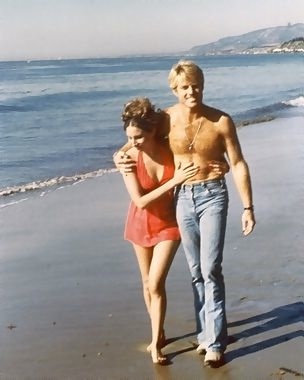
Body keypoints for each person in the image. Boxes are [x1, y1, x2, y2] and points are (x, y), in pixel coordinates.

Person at [115, 60, 255, 367]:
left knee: (210, 268)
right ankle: (206, 332)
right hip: (182, 198)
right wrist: (119, 155)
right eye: (184, 87)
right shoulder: (166, 119)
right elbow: (138, 137)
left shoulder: (221, 121)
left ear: (202, 84)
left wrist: (248, 206)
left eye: (195, 85)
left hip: (213, 195)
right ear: (175, 90)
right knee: (195, 271)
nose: (191, 91)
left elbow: (239, 163)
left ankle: (216, 343)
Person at [116, 97, 200, 364]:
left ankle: (155, 346)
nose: (134, 142)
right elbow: (140, 200)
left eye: (138, 137)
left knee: (156, 283)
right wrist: (174, 180)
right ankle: (158, 329)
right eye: (129, 137)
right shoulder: (128, 158)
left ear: (152, 131)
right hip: (140, 222)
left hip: (168, 223)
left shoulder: (169, 148)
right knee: (145, 282)